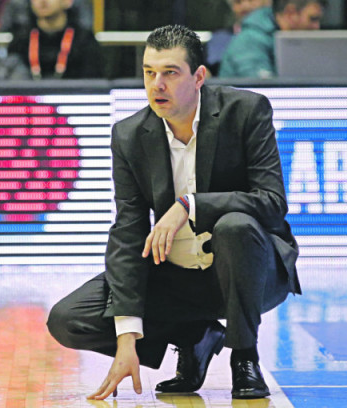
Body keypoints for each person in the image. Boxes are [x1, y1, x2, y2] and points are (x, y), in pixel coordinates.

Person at [47, 25, 300, 400]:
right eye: (149, 72)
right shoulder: (129, 135)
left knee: (235, 226)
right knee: (68, 319)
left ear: (199, 77)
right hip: (178, 278)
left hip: (251, 272)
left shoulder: (246, 111)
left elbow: (272, 202)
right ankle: (195, 335)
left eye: (170, 73)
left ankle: (244, 356)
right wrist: (126, 336)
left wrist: (190, 205)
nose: (157, 85)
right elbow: (129, 233)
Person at [219, 0, 326, 78]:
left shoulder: (289, 38)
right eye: (313, 19)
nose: (316, 27)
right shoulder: (250, 39)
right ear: (291, 13)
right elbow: (261, 87)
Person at [7, 0, 104, 79]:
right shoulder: (21, 40)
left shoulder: (84, 40)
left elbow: (92, 82)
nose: (42, 1)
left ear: (67, 1)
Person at [205, 0, 272, 76]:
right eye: (238, 2)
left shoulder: (276, 35)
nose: (245, 6)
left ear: (267, 2)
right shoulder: (219, 38)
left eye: (251, 0)